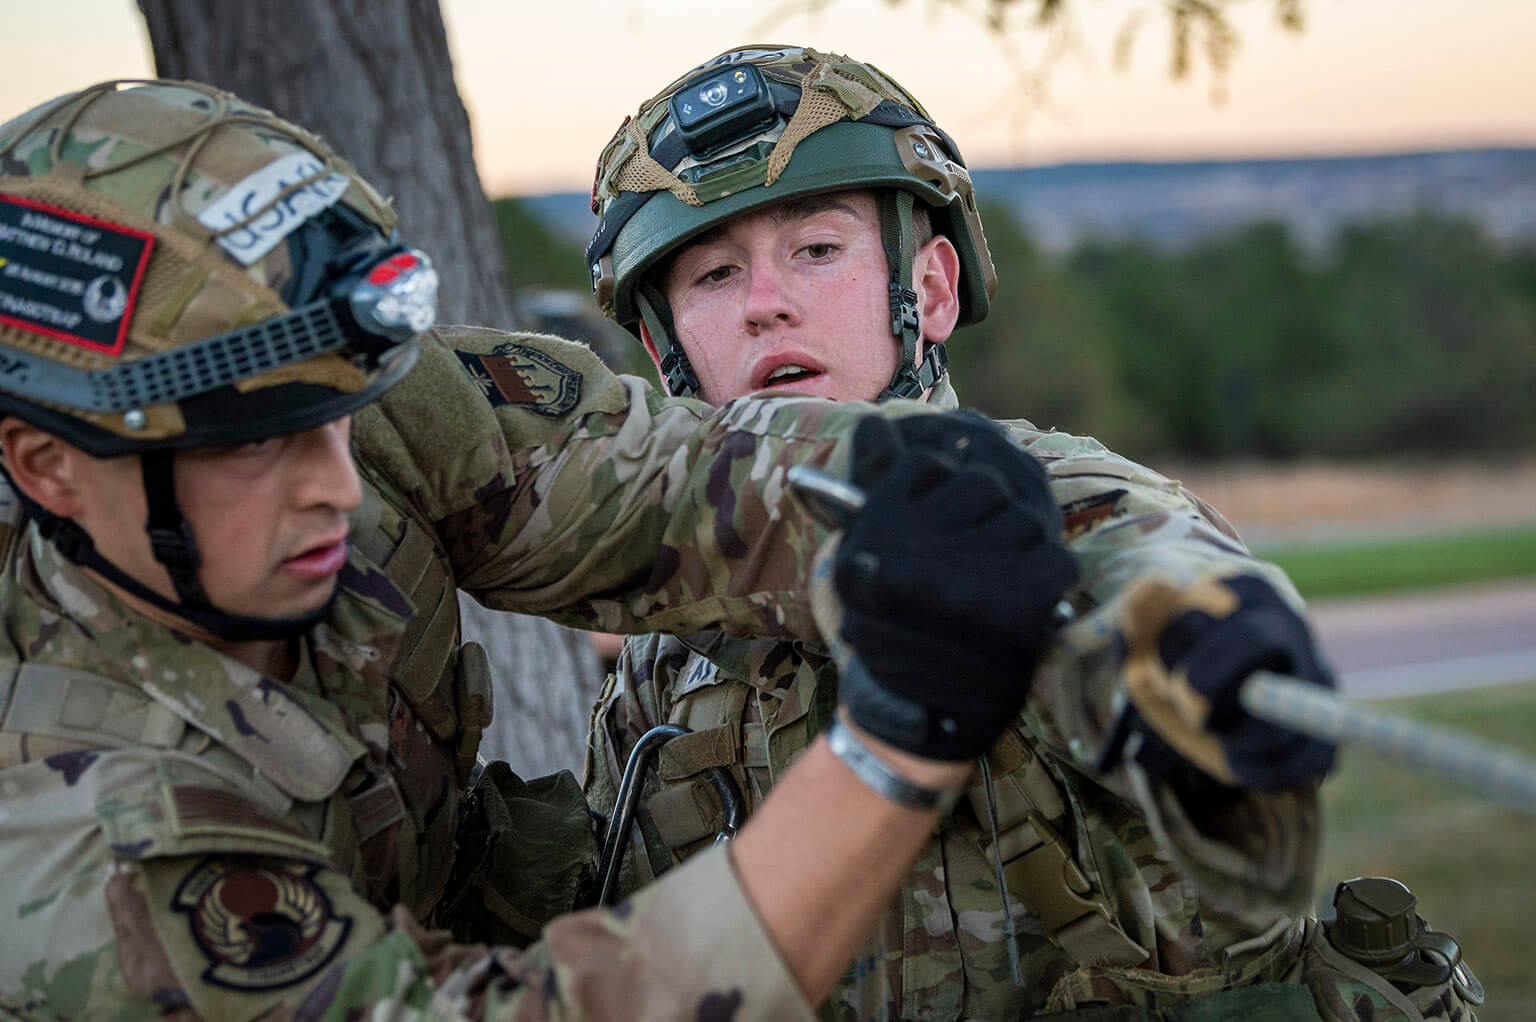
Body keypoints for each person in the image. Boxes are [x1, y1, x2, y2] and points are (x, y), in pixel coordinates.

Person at [0, 79, 1089, 1019]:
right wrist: (891, 750)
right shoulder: (84, 850)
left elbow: (665, 479)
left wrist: (988, 510)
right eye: (257, 450)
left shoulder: (310, 404)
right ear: (49, 467)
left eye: (339, 419)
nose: (341, 483)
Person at [583, 45, 1481, 1022]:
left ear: (927, 290)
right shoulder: (679, 643)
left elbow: (1155, 559)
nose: (764, 301)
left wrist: (1213, 636)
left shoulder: (1058, 504)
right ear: (667, 354)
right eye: (714, 273)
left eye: (816, 248)